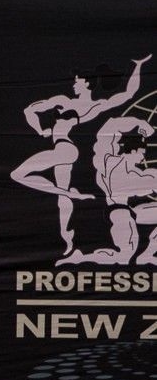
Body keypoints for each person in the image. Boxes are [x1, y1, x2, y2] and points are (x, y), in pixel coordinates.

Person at [10, 55, 151, 255]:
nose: (74, 85)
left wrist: (138, 66)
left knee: (17, 174)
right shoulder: (90, 106)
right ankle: (67, 239)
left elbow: (128, 94)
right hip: (66, 149)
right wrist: (40, 130)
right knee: (62, 198)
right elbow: (29, 110)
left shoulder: (71, 102)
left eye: (77, 81)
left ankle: (70, 195)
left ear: (87, 83)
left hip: (64, 149)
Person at [59, 116, 157, 265]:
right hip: (120, 213)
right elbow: (109, 129)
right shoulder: (109, 163)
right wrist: (138, 122)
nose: (142, 158)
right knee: (124, 256)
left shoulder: (135, 173)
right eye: (141, 154)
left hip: (131, 211)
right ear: (133, 151)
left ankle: (148, 253)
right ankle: (81, 258)